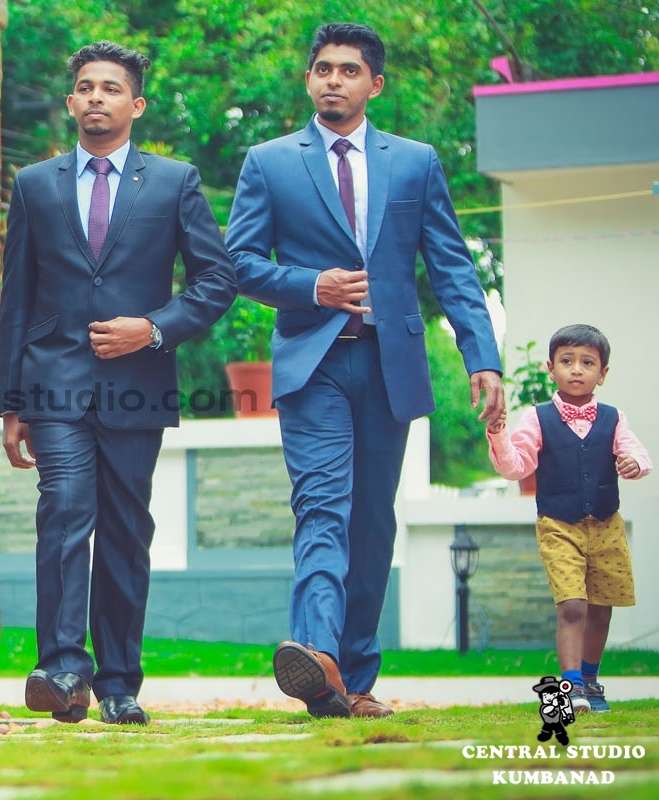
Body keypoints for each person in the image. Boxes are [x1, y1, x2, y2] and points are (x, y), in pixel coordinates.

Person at [225, 21, 504, 718]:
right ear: (308, 79)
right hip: (311, 364)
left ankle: (352, 681)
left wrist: (482, 357)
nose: (334, 80)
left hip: (389, 364)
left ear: (374, 84)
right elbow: (239, 264)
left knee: (371, 523)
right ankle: (317, 658)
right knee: (322, 507)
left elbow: (452, 265)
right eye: (323, 68)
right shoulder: (269, 162)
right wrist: (311, 285)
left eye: (349, 70)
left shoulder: (415, 162)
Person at [0, 42, 236, 725]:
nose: (97, 96)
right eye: (86, 86)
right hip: (54, 383)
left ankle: (119, 683)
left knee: (127, 533)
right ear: (71, 101)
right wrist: (11, 403)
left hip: (139, 384)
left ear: (137, 104)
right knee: (64, 514)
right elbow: (17, 298)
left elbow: (217, 280)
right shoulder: (34, 185)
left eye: (111, 87)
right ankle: (62, 670)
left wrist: (154, 329)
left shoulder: (175, 182)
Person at [488, 324, 649, 714]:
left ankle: (591, 682)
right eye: (567, 361)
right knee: (573, 605)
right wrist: (498, 433)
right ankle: (572, 685)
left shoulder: (614, 418)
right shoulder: (537, 418)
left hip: (606, 525)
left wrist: (634, 463)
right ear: (551, 368)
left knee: (602, 608)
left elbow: (637, 454)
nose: (576, 369)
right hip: (559, 525)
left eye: (587, 362)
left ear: (602, 373)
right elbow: (516, 467)